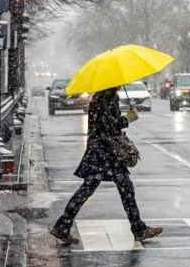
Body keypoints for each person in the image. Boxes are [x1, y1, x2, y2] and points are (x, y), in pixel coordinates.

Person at [50, 87, 163, 244]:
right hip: (105, 150)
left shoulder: (102, 96)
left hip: (100, 149)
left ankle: (63, 226)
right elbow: (110, 126)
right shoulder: (106, 98)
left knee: (91, 188)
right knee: (124, 188)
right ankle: (139, 229)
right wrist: (128, 118)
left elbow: (105, 124)